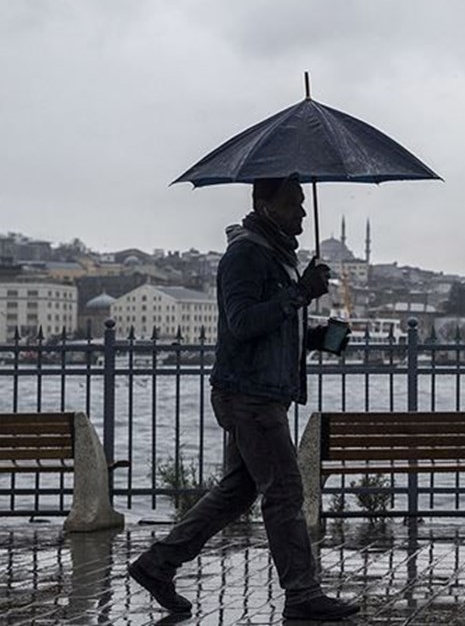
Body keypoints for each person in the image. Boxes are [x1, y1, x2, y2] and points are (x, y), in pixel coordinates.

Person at [128, 177, 359, 621]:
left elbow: (274, 328)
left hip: (264, 392)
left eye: (303, 204)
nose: (303, 214)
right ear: (264, 204)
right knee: (285, 490)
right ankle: (302, 593)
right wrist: (299, 294)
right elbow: (242, 322)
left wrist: (319, 337)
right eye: (293, 204)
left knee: (239, 490)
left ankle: (158, 565)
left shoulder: (276, 256)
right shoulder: (246, 254)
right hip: (248, 394)